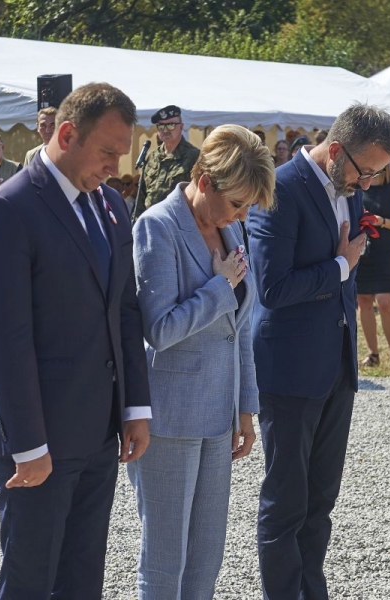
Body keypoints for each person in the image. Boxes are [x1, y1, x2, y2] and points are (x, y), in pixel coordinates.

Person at [0, 82, 152, 599]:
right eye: (107, 152)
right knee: (30, 582)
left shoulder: (111, 207)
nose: (115, 166)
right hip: (40, 440)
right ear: (67, 135)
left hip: (99, 433)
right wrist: (29, 445)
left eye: (121, 153)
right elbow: (2, 340)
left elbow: (125, 311)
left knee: (82, 581)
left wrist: (135, 407)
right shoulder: (7, 210)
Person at [247, 103, 390, 599]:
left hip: (336, 367)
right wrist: (339, 266)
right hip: (291, 370)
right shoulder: (280, 189)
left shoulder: (349, 189)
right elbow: (271, 288)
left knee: (320, 504)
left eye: (378, 173)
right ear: (335, 150)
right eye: (366, 170)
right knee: (286, 503)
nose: (369, 182)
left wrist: (344, 264)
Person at [129, 125, 275, 599]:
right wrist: (220, 287)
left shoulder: (231, 228)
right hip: (169, 418)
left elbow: (241, 327)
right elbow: (159, 329)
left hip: (219, 415)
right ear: (205, 181)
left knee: (206, 559)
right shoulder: (157, 225)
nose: (244, 215)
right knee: (165, 561)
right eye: (238, 203)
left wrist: (246, 407)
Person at [357, 168, 390, 368]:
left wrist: (381, 221)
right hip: (361, 250)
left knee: (384, 301)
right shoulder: (358, 184)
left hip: (385, 251)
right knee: (363, 301)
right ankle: (373, 354)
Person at [134, 104, 200, 218]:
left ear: (181, 127)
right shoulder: (152, 156)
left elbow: (198, 195)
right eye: (161, 126)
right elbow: (142, 194)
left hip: (177, 221)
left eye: (171, 125)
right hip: (151, 220)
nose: (165, 130)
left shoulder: (194, 156)